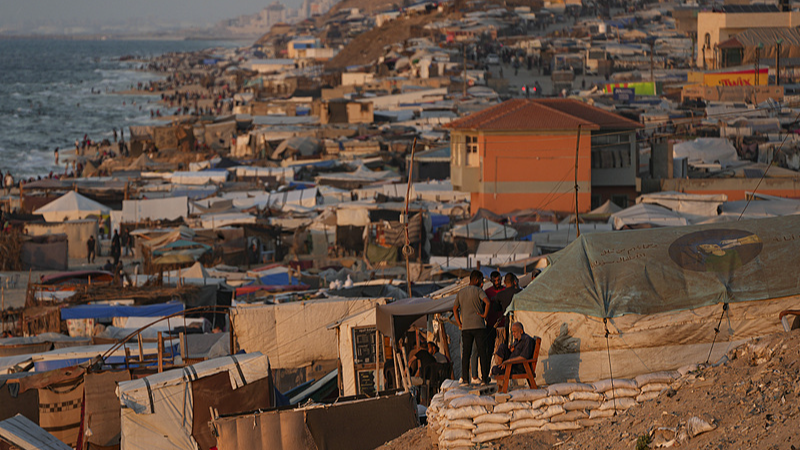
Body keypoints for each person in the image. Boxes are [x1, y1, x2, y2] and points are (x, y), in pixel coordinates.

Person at [453, 270, 491, 385]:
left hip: (466, 328)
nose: (481, 283)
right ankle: (484, 379)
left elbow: (455, 309)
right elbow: (488, 302)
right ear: (476, 280)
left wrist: (459, 323)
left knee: (466, 354)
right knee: (482, 352)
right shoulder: (479, 291)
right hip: (479, 326)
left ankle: (465, 379)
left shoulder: (461, 292)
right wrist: (484, 315)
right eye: (480, 280)